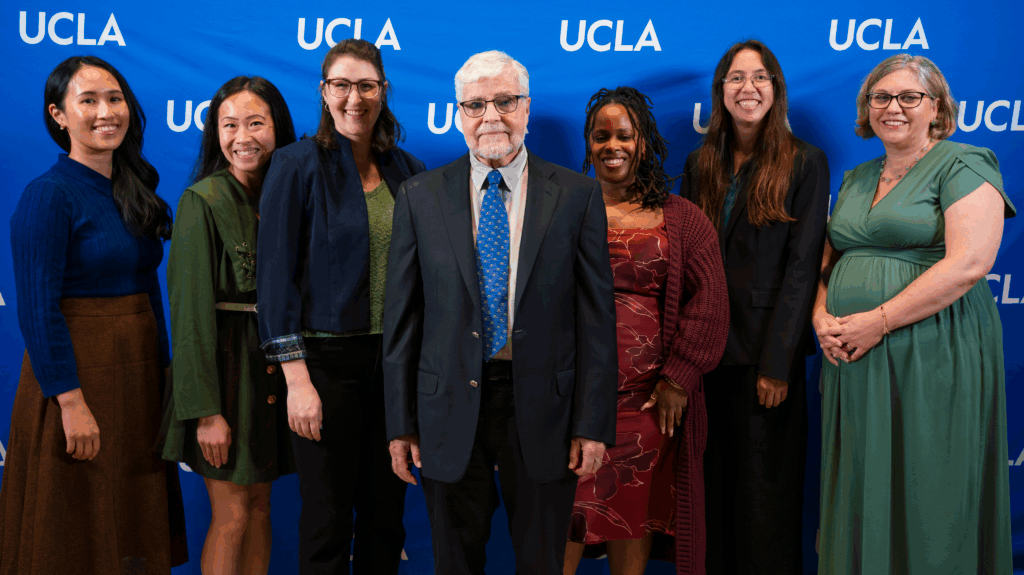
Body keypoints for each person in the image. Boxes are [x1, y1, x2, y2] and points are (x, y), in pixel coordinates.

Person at [383, 49, 618, 575]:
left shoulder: (577, 195)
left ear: (527, 107)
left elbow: (597, 319)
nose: (490, 116)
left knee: (541, 562)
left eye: (505, 101)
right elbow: (402, 322)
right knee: (454, 563)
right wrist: (400, 423)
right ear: (458, 114)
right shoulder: (419, 196)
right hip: (445, 405)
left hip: (546, 408)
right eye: (475, 105)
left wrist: (593, 423)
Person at [814, 54, 1013, 574]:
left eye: (909, 97)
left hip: (932, 346)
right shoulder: (857, 176)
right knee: (863, 471)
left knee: (931, 476)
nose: (893, 108)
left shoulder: (964, 163)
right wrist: (820, 316)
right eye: (881, 97)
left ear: (937, 108)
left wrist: (878, 321)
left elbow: (970, 263)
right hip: (854, 354)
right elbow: (828, 260)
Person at [0, 55, 187, 574]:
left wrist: (166, 377)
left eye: (114, 98)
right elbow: (37, 309)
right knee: (72, 529)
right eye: (88, 101)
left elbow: (149, 294)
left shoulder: (133, 190)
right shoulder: (47, 195)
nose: (106, 112)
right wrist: (70, 401)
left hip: (139, 381)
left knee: (131, 524)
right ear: (59, 115)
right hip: (79, 381)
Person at [256, 38, 425, 574]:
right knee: (327, 522)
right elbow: (275, 281)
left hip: (394, 367)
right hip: (324, 369)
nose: (355, 98)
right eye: (342, 85)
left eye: (366, 86)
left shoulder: (408, 170)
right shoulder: (294, 164)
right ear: (324, 92)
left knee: (386, 518)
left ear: (383, 91)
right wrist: (297, 381)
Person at [564, 87, 729, 575]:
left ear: (643, 143)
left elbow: (711, 300)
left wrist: (679, 377)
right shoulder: (564, 210)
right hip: (572, 400)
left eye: (624, 135)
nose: (612, 146)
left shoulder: (681, 218)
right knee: (564, 516)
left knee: (631, 513)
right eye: (601, 136)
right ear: (589, 144)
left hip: (647, 402)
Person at [680, 39, 830, 574]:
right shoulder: (700, 163)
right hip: (705, 360)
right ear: (721, 91)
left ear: (776, 88)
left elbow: (802, 268)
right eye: (737, 78)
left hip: (765, 362)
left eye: (760, 77)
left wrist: (778, 364)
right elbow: (686, 264)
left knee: (766, 501)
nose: (749, 87)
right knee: (710, 497)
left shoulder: (805, 161)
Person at [158, 76, 297, 574]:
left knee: (261, 507)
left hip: (274, 372)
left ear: (278, 127)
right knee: (232, 513)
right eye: (229, 125)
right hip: (224, 376)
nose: (242, 137)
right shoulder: (202, 199)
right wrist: (206, 413)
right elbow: (189, 318)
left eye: (256, 123)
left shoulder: (288, 194)